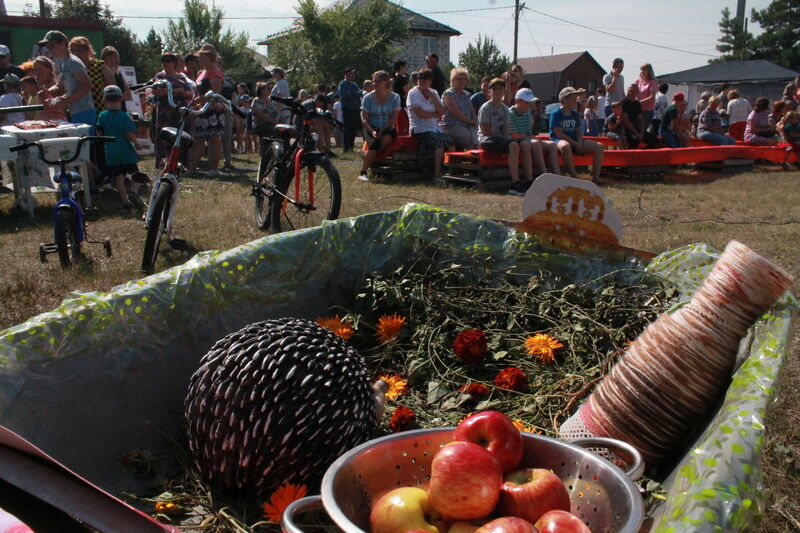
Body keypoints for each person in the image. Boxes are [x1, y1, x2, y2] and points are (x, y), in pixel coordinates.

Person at [95, 85, 143, 212]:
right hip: (125, 150)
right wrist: (136, 142)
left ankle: (125, 201)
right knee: (135, 173)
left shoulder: (102, 115)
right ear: (121, 100)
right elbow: (128, 133)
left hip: (110, 150)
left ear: (104, 101)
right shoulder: (124, 116)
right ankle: (133, 191)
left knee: (119, 177)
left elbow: (99, 132)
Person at [478, 77, 532, 191]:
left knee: (525, 145)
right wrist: (507, 141)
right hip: (487, 139)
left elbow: (506, 131)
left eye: (500, 88)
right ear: (489, 91)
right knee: (513, 145)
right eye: (494, 89)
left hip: (500, 140)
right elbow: (486, 131)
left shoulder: (505, 109)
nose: (497, 91)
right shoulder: (486, 108)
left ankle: (529, 180)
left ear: (504, 91)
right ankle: (515, 183)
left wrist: (508, 139)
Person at [39, 30, 95, 127]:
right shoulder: (66, 63)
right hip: (77, 112)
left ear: (64, 43)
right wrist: (46, 93)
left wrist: (65, 101)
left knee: (86, 142)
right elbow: (60, 86)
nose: (50, 50)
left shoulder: (72, 62)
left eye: (52, 45)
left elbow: (87, 85)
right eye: (48, 47)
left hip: (84, 112)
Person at [549, 86, 604, 184]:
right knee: (565, 146)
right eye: (573, 99)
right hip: (559, 140)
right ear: (564, 100)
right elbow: (559, 134)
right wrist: (575, 144)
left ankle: (596, 177)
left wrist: (579, 142)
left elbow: (578, 131)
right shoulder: (556, 113)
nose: (576, 102)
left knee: (599, 146)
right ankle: (574, 176)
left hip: (575, 140)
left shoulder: (575, 114)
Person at [406, 68, 453, 179]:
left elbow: (442, 112)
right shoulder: (413, 93)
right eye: (420, 77)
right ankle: (437, 174)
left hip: (434, 128)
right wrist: (434, 115)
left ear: (430, 81)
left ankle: (451, 171)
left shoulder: (434, 93)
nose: (422, 80)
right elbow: (421, 114)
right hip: (419, 129)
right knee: (439, 145)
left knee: (451, 142)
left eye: (426, 78)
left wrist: (434, 99)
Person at [151, 52, 192, 167]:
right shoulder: (160, 76)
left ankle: (181, 164)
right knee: (164, 137)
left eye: (168, 61)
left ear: (174, 63)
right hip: (165, 111)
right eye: (163, 61)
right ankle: (163, 164)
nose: (165, 63)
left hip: (179, 111)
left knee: (180, 136)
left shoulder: (182, 77)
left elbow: (190, 93)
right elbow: (156, 91)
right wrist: (176, 91)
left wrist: (183, 92)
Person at [358, 70, 401, 181]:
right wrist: (372, 131)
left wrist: (382, 129)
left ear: (386, 82)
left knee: (384, 138)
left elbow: (393, 118)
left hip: (387, 127)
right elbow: (364, 118)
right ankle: (363, 172)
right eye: (373, 81)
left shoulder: (395, 97)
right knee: (376, 142)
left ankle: (367, 155)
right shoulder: (368, 97)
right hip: (370, 126)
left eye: (378, 82)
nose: (374, 84)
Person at [509, 87, 559, 176]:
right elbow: (515, 135)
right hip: (516, 141)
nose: (530, 105)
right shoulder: (511, 113)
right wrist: (531, 137)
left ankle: (557, 175)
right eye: (527, 102)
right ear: (518, 101)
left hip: (527, 138)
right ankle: (544, 175)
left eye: (531, 103)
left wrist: (531, 136)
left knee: (552, 145)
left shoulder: (527, 112)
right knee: (535, 143)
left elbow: (529, 131)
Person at [192, 47, 226, 175]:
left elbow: (214, 94)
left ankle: (214, 168)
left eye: (201, 56)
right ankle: (193, 166)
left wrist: (197, 102)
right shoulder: (202, 72)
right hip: (202, 110)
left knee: (213, 139)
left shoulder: (215, 72)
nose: (199, 59)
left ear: (208, 56)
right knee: (200, 139)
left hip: (212, 110)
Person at [68, 36, 114, 115]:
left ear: (87, 51)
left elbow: (113, 87)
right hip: (78, 111)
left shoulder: (99, 65)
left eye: (79, 50)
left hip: (100, 111)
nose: (76, 53)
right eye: (73, 51)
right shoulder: (69, 68)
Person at [440, 67, 478, 150]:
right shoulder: (448, 94)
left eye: (464, 79)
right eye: (459, 79)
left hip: (467, 125)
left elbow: (472, 110)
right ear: (453, 80)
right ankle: (474, 158)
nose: (462, 81)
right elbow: (456, 112)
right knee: (470, 139)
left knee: (480, 136)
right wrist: (471, 122)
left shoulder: (467, 94)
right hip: (451, 126)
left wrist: (475, 121)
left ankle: (476, 159)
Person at [621, 83, 657, 149]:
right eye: (629, 91)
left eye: (633, 91)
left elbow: (641, 119)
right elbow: (626, 121)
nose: (631, 93)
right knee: (634, 141)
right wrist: (637, 134)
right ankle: (628, 158)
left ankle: (643, 156)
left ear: (637, 92)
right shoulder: (624, 102)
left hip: (635, 128)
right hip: (625, 130)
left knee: (654, 139)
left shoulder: (637, 103)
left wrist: (642, 133)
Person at [31, 56, 65, 122]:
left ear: (49, 69)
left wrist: (40, 86)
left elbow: (50, 106)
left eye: (40, 69)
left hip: (58, 124)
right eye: (35, 70)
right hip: (47, 124)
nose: (37, 73)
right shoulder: (43, 86)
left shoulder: (56, 86)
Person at [338, 67, 362, 152]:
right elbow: (344, 95)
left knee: (353, 128)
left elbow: (360, 93)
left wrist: (353, 93)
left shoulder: (354, 84)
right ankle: (346, 146)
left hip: (355, 108)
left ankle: (351, 146)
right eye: (350, 74)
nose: (352, 75)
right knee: (347, 127)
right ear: (346, 74)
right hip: (347, 108)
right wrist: (354, 94)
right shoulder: (342, 84)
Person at [100, 46, 130, 112]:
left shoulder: (119, 74)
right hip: (106, 109)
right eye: (109, 57)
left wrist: (118, 99)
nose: (112, 60)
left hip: (121, 108)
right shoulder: (100, 74)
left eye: (114, 58)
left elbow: (128, 93)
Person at [636, 63, 657, 131]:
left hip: (647, 111)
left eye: (645, 69)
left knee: (641, 129)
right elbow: (633, 93)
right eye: (641, 70)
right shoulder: (638, 81)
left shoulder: (652, 82)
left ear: (649, 71)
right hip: (638, 110)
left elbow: (652, 97)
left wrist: (639, 103)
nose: (642, 71)